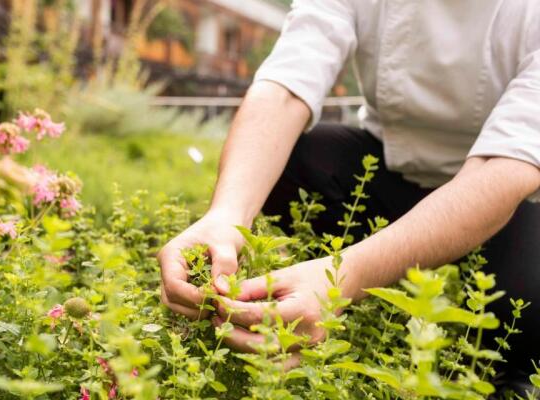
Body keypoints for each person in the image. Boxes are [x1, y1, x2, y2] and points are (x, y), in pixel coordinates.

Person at [158, 0, 540, 391]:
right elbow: (286, 88)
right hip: (386, 166)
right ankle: (292, 303)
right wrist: (225, 216)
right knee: (300, 164)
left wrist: (342, 279)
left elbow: (505, 166)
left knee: (526, 322)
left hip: (507, 197)